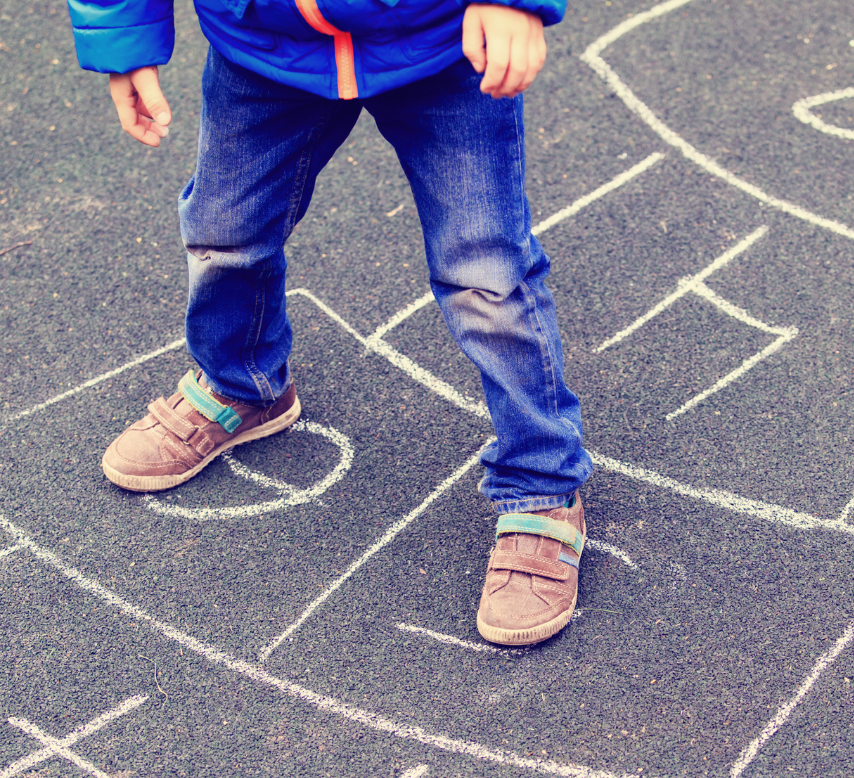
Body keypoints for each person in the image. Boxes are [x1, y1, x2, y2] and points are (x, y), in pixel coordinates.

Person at [67, 0, 594, 646]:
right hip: (265, 46)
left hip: (440, 41)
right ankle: (244, 384)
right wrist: (123, 35)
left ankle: (541, 480)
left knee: (486, 273)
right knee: (223, 232)